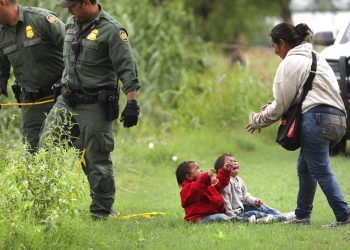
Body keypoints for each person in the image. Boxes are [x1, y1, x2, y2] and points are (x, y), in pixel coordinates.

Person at [43, 0, 141, 220]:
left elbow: (127, 67)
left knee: (97, 160)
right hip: (66, 101)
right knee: (46, 145)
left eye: (73, 6)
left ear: (87, 2)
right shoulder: (71, 22)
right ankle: (43, 203)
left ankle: (102, 211)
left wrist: (132, 102)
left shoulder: (112, 30)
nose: (68, 10)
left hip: (95, 105)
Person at [246, 22, 350, 227]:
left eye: (274, 46)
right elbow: (302, 95)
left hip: (316, 119)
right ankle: (302, 216)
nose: (274, 51)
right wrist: (279, 106)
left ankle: (344, 215)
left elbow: (280, 106)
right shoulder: (317, 57)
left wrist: (258, 119)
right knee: (305, 166)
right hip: (338, 119)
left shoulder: (290, 63)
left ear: (283, 43)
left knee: (320, 169)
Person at [0, 0, 65, 153]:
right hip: (31, 103)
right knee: (33, 158)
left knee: (85, 151)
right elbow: (1, 74)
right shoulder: (1, 34)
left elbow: (75, 49)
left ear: (2, 3)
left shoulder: (41, 19)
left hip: (62, 98)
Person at [214, 153, 294, 224]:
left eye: (235, 161)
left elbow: (245, 196)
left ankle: (281, 215)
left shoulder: (239, 179)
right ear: (222, 169)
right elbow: (226, 201)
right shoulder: (226, 183)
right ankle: (281, 218)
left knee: (263, 207)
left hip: (242, 208)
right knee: (257, 214)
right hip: (236, 214)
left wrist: (255, 201)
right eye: (230, 162)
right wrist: (232, 217)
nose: (234, 163)